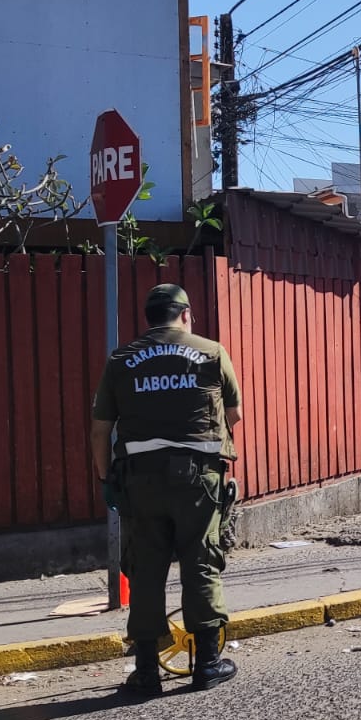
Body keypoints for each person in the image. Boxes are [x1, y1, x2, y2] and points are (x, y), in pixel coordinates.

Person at [91, 283, 242, 696]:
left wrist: (106, 480)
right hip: (198, 480)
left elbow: (100, 430)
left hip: (140, 481)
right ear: (186, 315)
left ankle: (146, 672)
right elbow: (234, 414)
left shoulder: (121, 359)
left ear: (149, 318)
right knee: (201, 562)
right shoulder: (211, 352)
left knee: (145, 569)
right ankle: (207, 664)